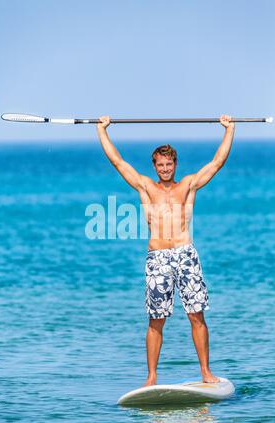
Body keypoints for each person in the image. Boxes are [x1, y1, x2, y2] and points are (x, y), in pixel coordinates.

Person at [97, 115, 235, 386]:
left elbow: (217, 162)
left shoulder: (188, 185)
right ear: (155, 166)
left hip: (185, 255)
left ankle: (206, 372)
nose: (164, 169)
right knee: (155, 319)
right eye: (160, 165)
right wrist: (102, 130)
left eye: (168, 164)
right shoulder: (146, 187)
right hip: (158, 258)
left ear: (175, 164)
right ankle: (151, 377)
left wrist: (230, 129)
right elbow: (118, 161)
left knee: (196, 315)